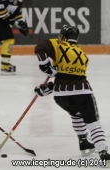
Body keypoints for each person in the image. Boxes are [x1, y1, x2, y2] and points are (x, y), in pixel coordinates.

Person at [33, 25, 110, 167]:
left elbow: (40, 48)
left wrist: (46, 73)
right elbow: (71, 77)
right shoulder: (82, 54)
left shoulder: (59, 45)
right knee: (93, 122)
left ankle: (83, 142)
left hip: (61, 96)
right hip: (82, 93)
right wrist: (50, 72)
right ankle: (103, 153)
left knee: (77, 114)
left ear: (63, 36)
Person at [0, 0, 28, 74]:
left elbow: (17, 13)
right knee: (9, 40)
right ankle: (5, 66)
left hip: (3, 21)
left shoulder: (19, 1)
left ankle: (5, 65)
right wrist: (13, 21)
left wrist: (21, 23)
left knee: (9, 40)